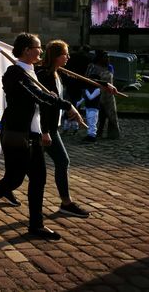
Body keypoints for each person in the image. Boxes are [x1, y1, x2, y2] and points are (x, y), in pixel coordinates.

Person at [0, 33, 84, 241]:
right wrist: (67, 106)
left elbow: (52, 85)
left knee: (38, 179)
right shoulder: (14, 73)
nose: (41, 51)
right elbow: (38, 95)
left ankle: (36, 225)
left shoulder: (33, 71)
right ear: (27, 50)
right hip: (16, 134)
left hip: (33, 134)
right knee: (13, 179)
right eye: (38, 47)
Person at [36, 40, 91, 218]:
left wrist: (105, 85)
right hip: (45, 129)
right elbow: (43, 105)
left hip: (51, 128)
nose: (68, 57)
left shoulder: (57, 73)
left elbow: (79, 81)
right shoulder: (45, 75)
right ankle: (66, 203)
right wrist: (44, 131)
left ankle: (66, 202)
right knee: (60, 162)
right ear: (56, 56)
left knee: (31, 166)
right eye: (65, 54)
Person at [86, 50, 120, 139]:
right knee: (99, 114)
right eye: (106, 57)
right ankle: (96, 132)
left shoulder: (109, 67)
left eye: (109, 57)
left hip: (109, 95)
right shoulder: (93, 67)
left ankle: (113, 134)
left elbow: (112, 79)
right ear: (100, 58)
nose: (108, 59)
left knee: (111, 114)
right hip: (97, 93)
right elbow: (88, 80)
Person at [80, 75, 101, 142]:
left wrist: (86, 91)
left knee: (92, 123)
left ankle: (92, 136)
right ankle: (89, 135)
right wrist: (78, 103)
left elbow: (91, 97)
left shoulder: (98, 89)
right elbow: (85, 98)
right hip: (88, 107)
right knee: (89, 122)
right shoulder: (89, 89)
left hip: (94, 108)